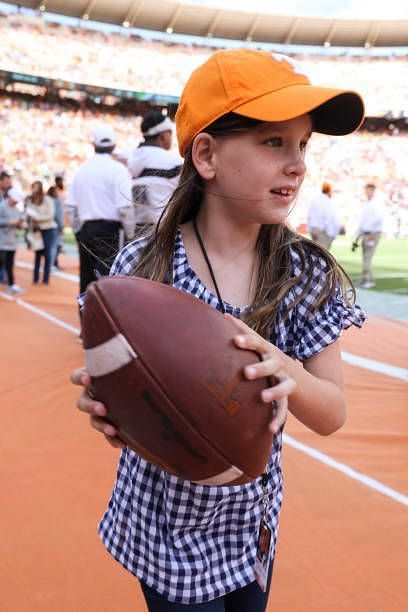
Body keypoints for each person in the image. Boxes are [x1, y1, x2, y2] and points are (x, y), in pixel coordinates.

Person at [71, 49, 366, 610]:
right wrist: (116, 411)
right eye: (273, 141)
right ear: (205, 154)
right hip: (164, 532)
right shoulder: (143, 268)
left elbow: (333, 413)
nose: (298, 164)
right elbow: (121, 391)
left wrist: (288, 371)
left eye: (303, 144)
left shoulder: (302, 275)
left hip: (250, 524)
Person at [66, 124, 134, 295]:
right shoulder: (118, 170)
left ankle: (86, 318)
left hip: (86, 229)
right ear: (113, 145)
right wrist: (131, 236)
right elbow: (125, 208)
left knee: (86, 279)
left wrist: (77, 231)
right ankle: (105, 320)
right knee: (108, 280)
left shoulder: (81, 171)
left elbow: (70, 207)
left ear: (94, 145)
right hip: (110, 230)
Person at [128, 111, 182, 229]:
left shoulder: (130, 158)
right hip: (163, 231)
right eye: (169, 133)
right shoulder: (173, 162)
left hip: (136, 231)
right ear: (162, 136)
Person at [352, 183, 385, 288]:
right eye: (366, 190)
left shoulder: (376, 203)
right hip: (366, 233)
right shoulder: (368, 203)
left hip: (372, 234)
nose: (366, 192)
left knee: (367, 258)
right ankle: (367, 279)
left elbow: (379, 219)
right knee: (365, 257)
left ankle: (368, 281)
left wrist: (372, 232)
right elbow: (363, 222)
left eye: (368, 190)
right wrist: (357, 235)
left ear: (373, 190)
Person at [26, 180, 58, 285]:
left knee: (47, 254)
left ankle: (45, 279)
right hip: (38, 229)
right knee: (37, 253)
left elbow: (51, 215)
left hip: (49, 229)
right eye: (32, 187)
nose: (33, 190)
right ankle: (35, 279)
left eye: (35, 187)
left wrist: (38, 218)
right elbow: (29, 214)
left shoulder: (48, 199)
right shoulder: (31, 200)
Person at [0, 186, 25, 294]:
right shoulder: (2, 206)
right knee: (1, 262)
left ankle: (11, 284)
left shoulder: (16, 209)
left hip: (11, 241)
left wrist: (19, 225)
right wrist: (10, 222)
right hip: (1, 241)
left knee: (10, 264)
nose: (16, 202)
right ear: (10, 197)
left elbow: (18, 223)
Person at [307, 182, 342, 250]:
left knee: (315, 253)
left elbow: (309, 217)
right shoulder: (328, 202)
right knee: (322, 256)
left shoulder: (314, 201)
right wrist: (331, 234)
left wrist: (310, 229)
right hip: (323, 232)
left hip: (313, 230)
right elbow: (328, 219)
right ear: (329, 191)